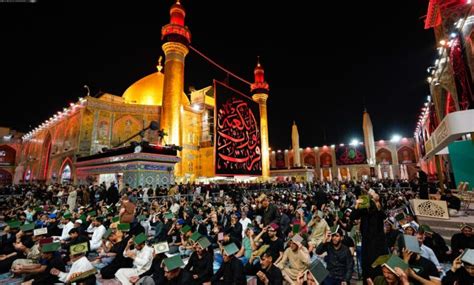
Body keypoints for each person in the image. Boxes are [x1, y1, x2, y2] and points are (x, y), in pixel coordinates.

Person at [350, 190, 388, 283]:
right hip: (366, 242)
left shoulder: (378, 209)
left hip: (378, 243)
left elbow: (383, 216)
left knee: (378, 267)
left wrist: (376, 201)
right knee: (367, 267)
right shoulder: (363, 211)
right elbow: (352, 217)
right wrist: (357, 204)